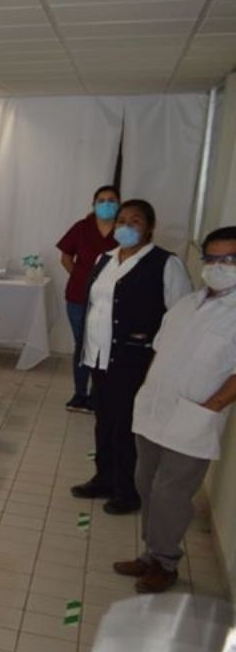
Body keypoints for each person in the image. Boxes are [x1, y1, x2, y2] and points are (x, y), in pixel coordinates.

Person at [115, 226, 236, 592]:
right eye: (211, 258)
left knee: (171, 493)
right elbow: (160, 350)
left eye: (228, 260)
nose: (217, 266)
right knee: (146, 483)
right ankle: (149, 554)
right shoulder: (187, 305)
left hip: (193, 418)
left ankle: (165, 563)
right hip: (155, 409)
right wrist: (148, 387)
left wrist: (210, 407)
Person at [71, 199, 191, 515]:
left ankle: (128, 490)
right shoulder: (105, 259)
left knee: (125, 425)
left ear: (149, 227)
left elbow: (180, 317)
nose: (126, 226)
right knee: (104, 421)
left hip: (133, 359)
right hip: (99, 356)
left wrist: (158, 355)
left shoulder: (165, 263)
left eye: (135, 221)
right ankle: (104, 478)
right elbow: (97, 305)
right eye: (121, 220)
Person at [57, 185, 120, 414]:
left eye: (111, 200)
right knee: (82, 345)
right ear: (93, 204)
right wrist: (81, 278)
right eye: (101, 200)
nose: (106, 204)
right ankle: (80, 394)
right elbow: (65, 257)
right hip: (78, 296)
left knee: (104, 344)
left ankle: (97, 394)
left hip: (111, 299)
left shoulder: (123, 231)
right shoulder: (82, 227)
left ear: (119, 204)